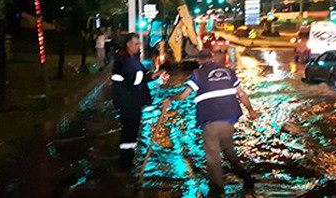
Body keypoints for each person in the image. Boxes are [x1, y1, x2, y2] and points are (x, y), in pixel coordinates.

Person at [163, 48, 258, 196]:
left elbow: (183, 95)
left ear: (199, 61)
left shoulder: (197, 74)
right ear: (212, 58)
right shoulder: (228, 72)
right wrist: (251, 110)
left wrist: (170, 99)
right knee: (228, 150)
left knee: (213, 157)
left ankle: (218, 189)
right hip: (230, 119)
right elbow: (241, 93)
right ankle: (245, 176)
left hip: (211, 119)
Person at [111, 33, 168, 171]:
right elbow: (134, 79)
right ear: (128, 44)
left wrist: (153, 76)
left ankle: (128, 159)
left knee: (132, 130)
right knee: (129, 131)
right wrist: (150, 79)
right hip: (128, 102)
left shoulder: (132, 58)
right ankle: (125, 163)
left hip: (133, 102)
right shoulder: (124, 59)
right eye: (136, 44)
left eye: (139, 44)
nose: (139, 46)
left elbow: (139, 77)